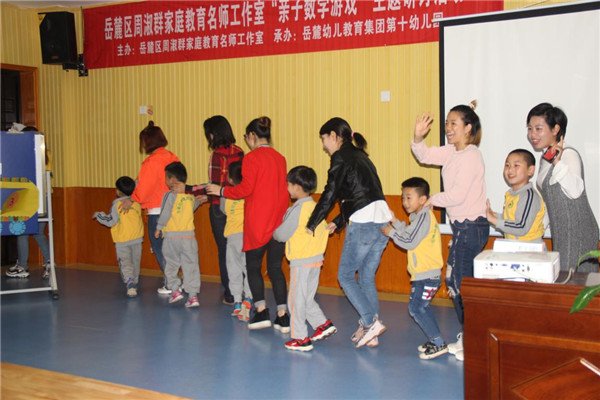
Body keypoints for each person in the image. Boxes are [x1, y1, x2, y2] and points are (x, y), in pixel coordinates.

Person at [411, 104, 489, 361]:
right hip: (463, 227)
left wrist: (430, 200)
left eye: (454, 123)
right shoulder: (452, 152)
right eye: (447, 123)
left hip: (471, 226)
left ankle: (474, 337)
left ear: (468, 128)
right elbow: (424, 155)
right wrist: (418, 137)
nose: (448, 128)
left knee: (457, 282)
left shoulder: (471, 156)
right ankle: (471, 335)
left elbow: (457, 195)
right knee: (459, 282)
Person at [306, 117, 392, 349]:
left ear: (334, 136)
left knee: (345, 276)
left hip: (364, 223)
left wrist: (312, 223)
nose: (324, 145)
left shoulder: (340, 156)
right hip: (383, 221)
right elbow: (361, 194)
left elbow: (330, 192)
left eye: (324, 139)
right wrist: (339, 221)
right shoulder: (361, 156)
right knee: (365, 276)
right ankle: (372, 331)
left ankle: (369, 322)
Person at [206, 116, 289, 332]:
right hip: (278, 222)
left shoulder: (251, 159)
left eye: (246, 137)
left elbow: (244, 190)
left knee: (253, 267)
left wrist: (221, 190)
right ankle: (283, 316)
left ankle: (261, 312)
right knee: (275, 269)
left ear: (252, 136)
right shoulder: (280, 158)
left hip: (257, 222)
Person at [526, 103, 599, 272]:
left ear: (555, 129)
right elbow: (549, 200)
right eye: (530, 129)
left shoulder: (568, 154)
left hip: (579, 230)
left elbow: (576, 191)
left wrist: (558, 162)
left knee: (574, 279)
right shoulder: (545, 158)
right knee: (563, 276)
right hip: (561, 230)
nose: (532, 134)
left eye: (538, 129)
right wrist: (537, 229)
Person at [273, 166, 338, 352]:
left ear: (297, 187)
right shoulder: (316, 206)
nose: (287, 188)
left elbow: (281, 235)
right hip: (316, 260)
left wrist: (275, 232)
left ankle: (300, 338)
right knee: (306, 298)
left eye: (288, 185)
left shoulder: (297, 209)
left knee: (295, 301)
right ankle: (322, 324)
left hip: (301, 261)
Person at [382, 177, 447, 360]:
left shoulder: (424, 217)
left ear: (423, 199)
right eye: (403, 198)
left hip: (427, 275)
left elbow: (409, 241)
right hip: (424, 274)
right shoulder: (420, 217)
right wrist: (395, 221)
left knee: (417, 309)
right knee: (420, 308)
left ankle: (438, 343)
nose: (405, 202)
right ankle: (435, 339)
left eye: (409, 198)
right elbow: (410, 233)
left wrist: (391, 232)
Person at [120, 121, 180, 295]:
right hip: (175, 208)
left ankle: (171, 283)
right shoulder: (172, 157)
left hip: (157, 210)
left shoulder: (150, 162)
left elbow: (144, 188)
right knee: (173, 249)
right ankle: (175, 280)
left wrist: (132, 199)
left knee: (160, 248)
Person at [199, 115, 244, 305]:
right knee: (241, 250)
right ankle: (243, 291)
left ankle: (230, 294)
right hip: (239, 206)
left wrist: (206, 195)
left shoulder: (216, 155)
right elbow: (241, 181)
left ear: (212, 135)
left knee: (225, 251)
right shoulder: (240, 152)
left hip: (219, 206)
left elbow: (215, 185)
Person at [7, 126, 52, 280]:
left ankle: (22, 267)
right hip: (45, 198)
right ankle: (49, 263)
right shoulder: (46, 154)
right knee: (39, 233)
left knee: (22, 233)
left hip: (28, 196)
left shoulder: (24, 154)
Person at [155, 162, 202, 308]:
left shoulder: (169, 195)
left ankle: (175, 290)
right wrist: (198, 202)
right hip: (189, 237)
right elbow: (193, 206)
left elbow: (165, 213)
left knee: (170, 264)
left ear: (172, 180)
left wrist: (158, 227)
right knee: (191, 266)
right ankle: (193, 296)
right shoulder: (190, 196)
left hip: (172, 237)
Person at [93, 177, 144, 297]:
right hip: (137, 239)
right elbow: (138, 187)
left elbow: (110, 221)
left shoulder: (117, 205)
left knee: (125, 262)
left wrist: (99, 215)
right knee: (135, 262)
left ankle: (130, 283)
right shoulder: (136, 202)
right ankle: (133, 282)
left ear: (118, 191)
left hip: (122, 240)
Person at [486, 149, 546, 242]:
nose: (510, 169)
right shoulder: (511, 195)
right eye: (507, 165)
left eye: (516, 165)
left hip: (530, 249)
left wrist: (495, 220)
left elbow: (521, 227)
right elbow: (510, 220)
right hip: (515, 247)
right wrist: (493, 215)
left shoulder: (529, 196)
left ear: (530, 170)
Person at [219, 161, 252, 321]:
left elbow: (222, 210)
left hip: (232, 237)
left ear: (230, 179)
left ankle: (237, 301)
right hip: (248, 237)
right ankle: (248, 299)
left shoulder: (226, 194)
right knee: (249, 269)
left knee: (234, 269)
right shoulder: (249, 193)